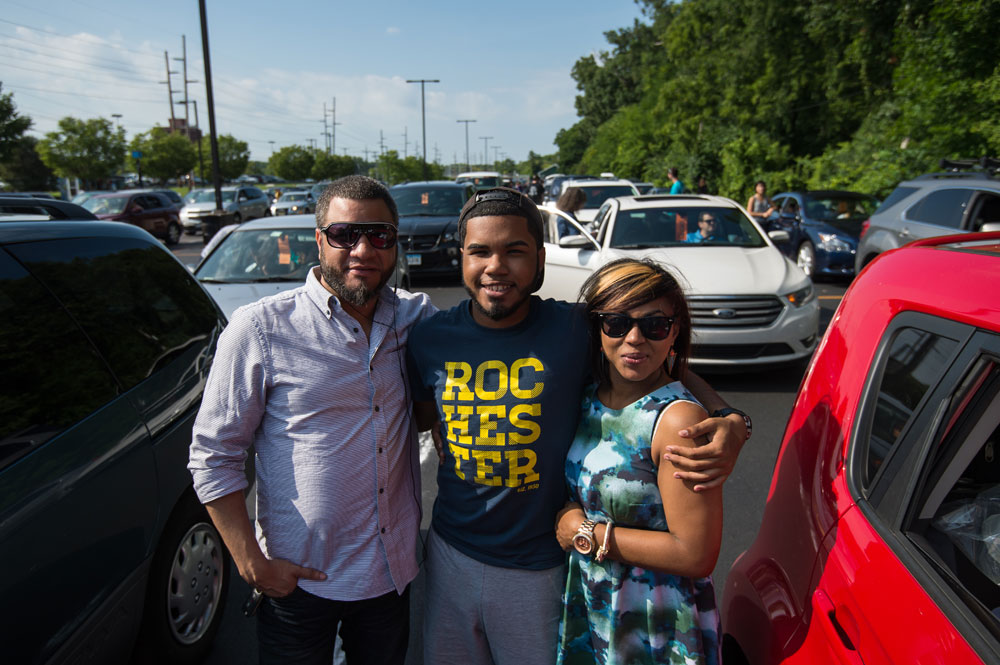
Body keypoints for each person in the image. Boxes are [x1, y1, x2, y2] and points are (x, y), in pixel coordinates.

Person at [405, 188, 750, 665]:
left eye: (515, 251)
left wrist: (727, 416)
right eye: (480, 251)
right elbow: (424, 416)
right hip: (449, 553)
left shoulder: (573, 328)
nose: (496, 266)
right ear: (460, 257)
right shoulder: (429, 337)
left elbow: (648, 352)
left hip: (539, 565)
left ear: (540, 260)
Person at [188, 175, 434, 665]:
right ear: (320, 239)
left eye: (380, 235)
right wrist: (250, 563)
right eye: (345, 235)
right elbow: (213, 455)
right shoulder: (260, 328)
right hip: (296, 581)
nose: (363, 249)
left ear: (395, 244)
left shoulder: (417, 317)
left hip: (390, 576)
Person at [555, 258, 722, 664]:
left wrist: (586, 532)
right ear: (596, 329)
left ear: (674, 332)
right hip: (593, 604)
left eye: (654, 326)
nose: (634, 339)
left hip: (654, 620)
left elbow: (695, 552)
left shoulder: (677, 419)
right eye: (616, 323)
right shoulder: (590, 394)